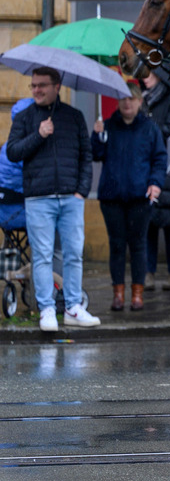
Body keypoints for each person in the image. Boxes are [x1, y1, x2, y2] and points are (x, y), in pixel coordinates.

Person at [5, 67, 100, 330]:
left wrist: (82, 190)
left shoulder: (74, 116)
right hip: (39, 198)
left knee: (73, 254)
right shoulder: (25, 118)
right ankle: (46, 309)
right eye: (33, 85)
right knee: (43, 256)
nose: (36, 90)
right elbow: (12, 152)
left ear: (57, 86)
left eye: (42, 85)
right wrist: (39, 134)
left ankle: (72, 307)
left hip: (71, 198)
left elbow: (85, 156)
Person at [92, 83, 167, 311]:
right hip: (111, 197)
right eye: (123, 99)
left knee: (137, 245)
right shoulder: (108, 126)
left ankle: (137, 293)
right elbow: (95, 154)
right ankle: (118, 293)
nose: (127, 103)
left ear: (139, 102)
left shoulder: (150, 128)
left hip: (140, 197)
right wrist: (97, 136)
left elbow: (159, 159)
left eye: (132, 99)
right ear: (118, 101)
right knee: (116, 245)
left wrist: (155, 184)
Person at [141, 68, 170, 291]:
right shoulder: (141, 100)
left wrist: (148, 128)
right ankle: (148, 273)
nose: (144, 78)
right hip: (148, 169)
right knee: (149, 226)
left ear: (161, 75)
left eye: (149, 73)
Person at [0, 98, 33, 231]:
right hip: (20, 213)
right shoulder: (28, 147)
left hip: (3, 212)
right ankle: (56, 252)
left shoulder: (7, 146)